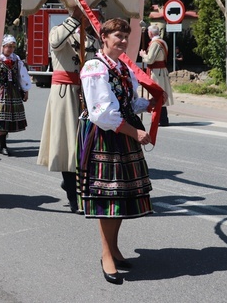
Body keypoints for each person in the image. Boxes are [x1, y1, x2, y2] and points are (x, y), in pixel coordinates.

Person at [78, 18, 154, 285]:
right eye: (118, 36)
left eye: (126, 36)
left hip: (123, 133)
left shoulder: (122, 66)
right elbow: (102, 113)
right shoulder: (94, 67)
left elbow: (128, 102)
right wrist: (135, 133)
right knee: (108, 197)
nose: (123, 40)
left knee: (121, 196)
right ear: (104, 38)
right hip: (107, 135)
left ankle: (115, 249)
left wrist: (149, 103)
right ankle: (106, 254)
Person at [37, 7, 95, 213]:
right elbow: (56, 43)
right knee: (67, 146)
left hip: (86, 93)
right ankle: (73, 195)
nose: (86, 19)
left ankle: (79, 188)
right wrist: (74, 19)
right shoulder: (59, 30)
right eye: (83, 15)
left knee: (85, 145)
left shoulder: (90, 39)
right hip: (64, 93)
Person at [0, 35, 31, 156]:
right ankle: (2, 145)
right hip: (0, 91)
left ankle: (1, 140)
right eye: (8, 46)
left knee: (10, 118)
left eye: (12, 47)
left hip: (13, 91)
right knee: (2, 118)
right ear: (2, 46)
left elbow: (22, 76)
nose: (10, 49)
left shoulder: (16, 60)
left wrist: (25, 89)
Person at [139, 24, 174, 126]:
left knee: (157, 95)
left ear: (150, 33)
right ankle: (162, 119)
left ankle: (162, 119)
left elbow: (150, 60)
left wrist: (143, 55)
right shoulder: (162, 42)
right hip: (161, 71)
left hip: (156, 72)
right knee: (160, 95)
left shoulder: (155, 43)